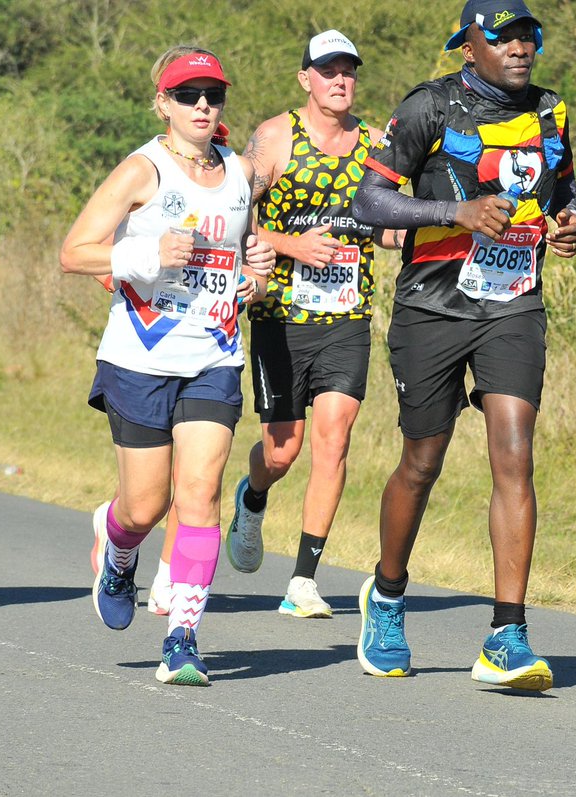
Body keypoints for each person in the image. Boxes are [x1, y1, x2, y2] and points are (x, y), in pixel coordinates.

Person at [350, 0, 576, 691]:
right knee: (422, 460)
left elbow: (563, 191)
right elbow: (370, 202)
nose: (519, 48)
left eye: (528, 37)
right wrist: (454, 211)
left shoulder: (551, 113)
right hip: (432, 305)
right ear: (468, 47)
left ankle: (506, 633)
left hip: (513, 304)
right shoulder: (430, 107)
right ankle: (387, 597)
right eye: (503, 37)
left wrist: (568, 225)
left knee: (514, 454)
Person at [59, 47, 275, 685]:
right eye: (189, 95)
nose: (203, 106)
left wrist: (255, 281)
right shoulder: (142, 170)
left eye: (213, 95)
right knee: (145, 505)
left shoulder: (239, 172)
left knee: (200, 495)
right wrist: (145, 254)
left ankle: (183, 636)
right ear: (164, 104)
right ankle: (119, 547)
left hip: (212, 355)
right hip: (140, 357)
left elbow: (243, 264)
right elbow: (75, 253)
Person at [227, 30, 398, 619]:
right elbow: (234, 223)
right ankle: (251, 499)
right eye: (328, 70)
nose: (341, 80)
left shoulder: (376, 144)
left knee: (334, 439)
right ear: (306, 79)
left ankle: (303, 578)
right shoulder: (275, 140)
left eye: (348, 70)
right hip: (280, 316)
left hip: (347, 314)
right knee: (283, 451)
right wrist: (291, 244)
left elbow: (390, 224)